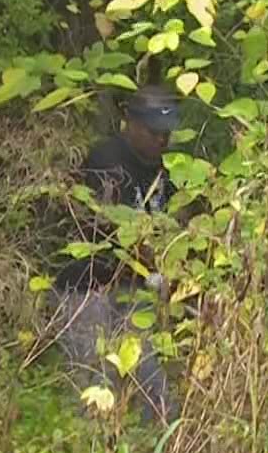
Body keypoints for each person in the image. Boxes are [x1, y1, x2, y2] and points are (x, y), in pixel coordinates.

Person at [45, 85, 183, 426]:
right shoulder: (106, 161)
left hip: (133, 287)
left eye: (166, 133)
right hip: (85, 287)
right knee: (95, 381)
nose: (161, 141)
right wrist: (156, 268)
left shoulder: (169, 169)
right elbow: (113, 228)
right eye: (154, 132)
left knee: (152, 375)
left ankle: (167, 452)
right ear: (131, 124)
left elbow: (179, 221)